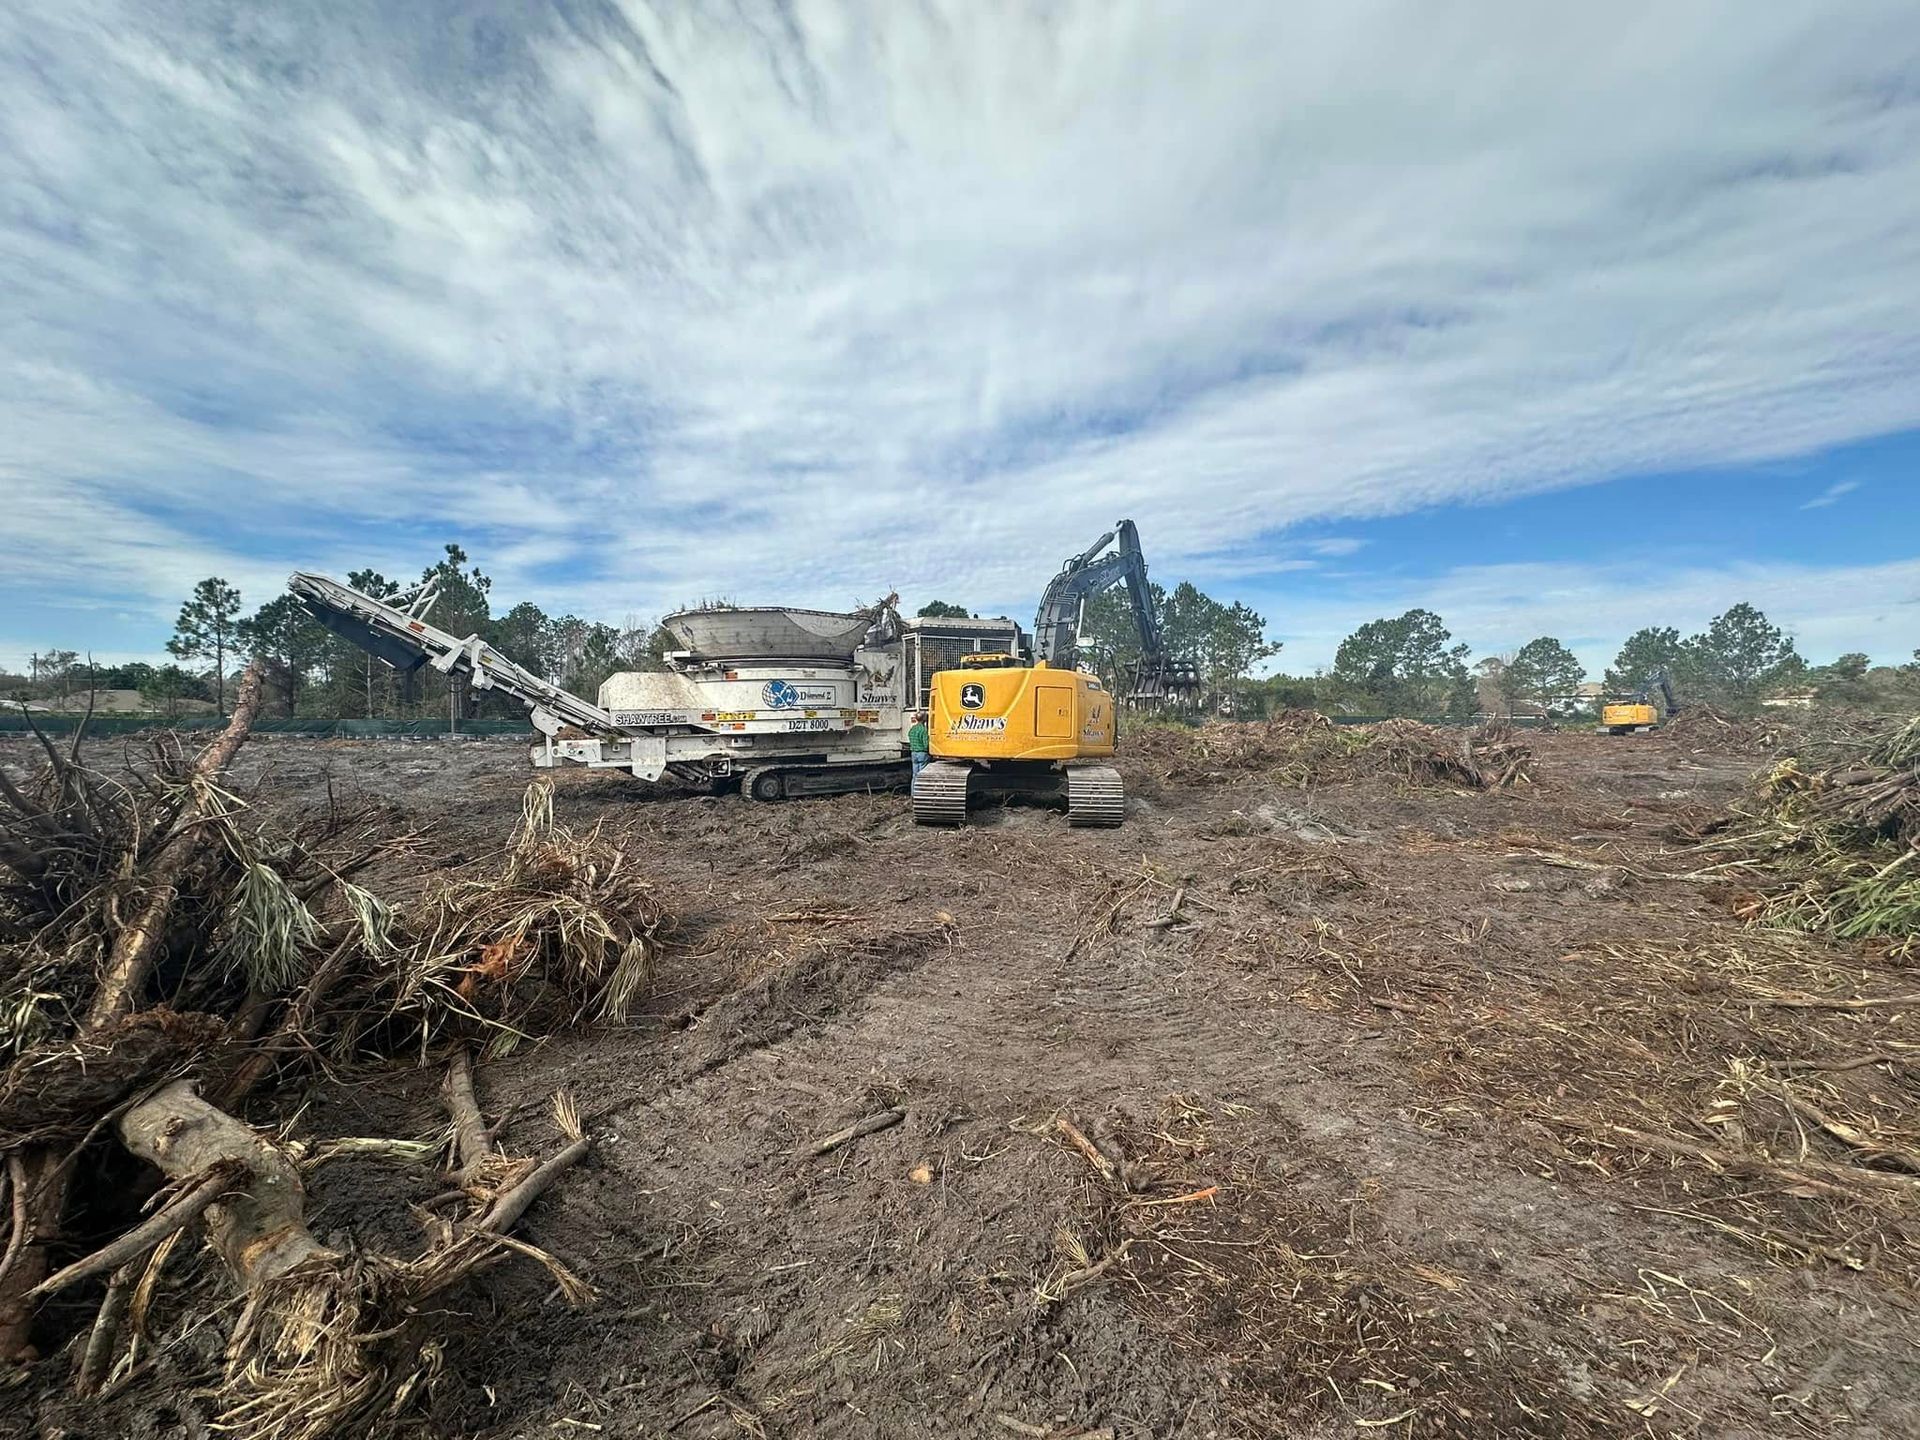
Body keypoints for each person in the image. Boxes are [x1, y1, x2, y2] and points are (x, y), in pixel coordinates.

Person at [906, 709, 930, 787]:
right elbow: (926, 744)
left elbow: (910, 737)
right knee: (922, 775)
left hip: (913, 753)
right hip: (922, 753)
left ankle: (914, 793)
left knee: (915, 775)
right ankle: (921, 792)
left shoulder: (912, 729)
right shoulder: (923, 730)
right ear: (924, 719)